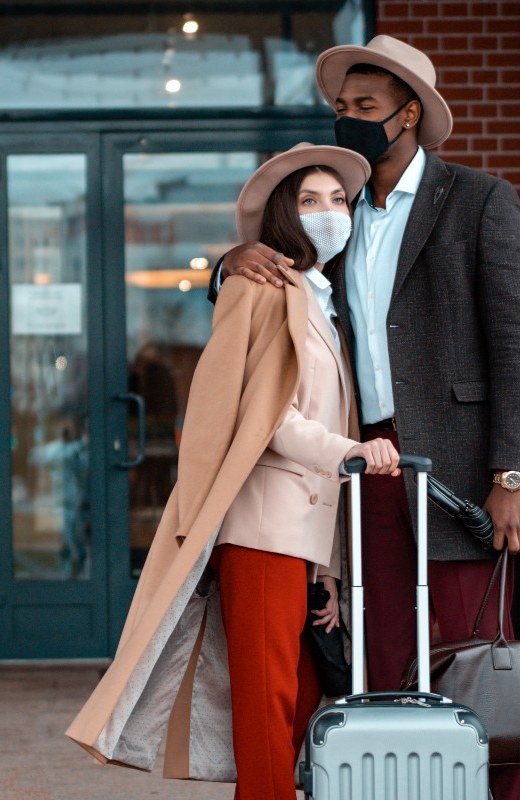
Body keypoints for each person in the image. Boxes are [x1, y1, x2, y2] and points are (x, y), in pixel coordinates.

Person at [211, 36, 520, 800]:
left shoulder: (476, 199)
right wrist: (228, 263)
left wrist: (512, 470)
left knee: (475, 653)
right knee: (385, 646)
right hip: (364, 460)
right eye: (340, 109)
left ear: (410, 113)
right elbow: (280, 276)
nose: (349, 120)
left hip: (462, 466)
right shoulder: (338, 210)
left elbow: (517, 341)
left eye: (365, 108)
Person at [66, 143, 400, 799]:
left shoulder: (330, 304)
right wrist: (349, 452)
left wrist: (329, 568)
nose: (329, 212)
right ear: (284, 214)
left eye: (339, 201)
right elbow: (262, 416)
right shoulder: (260, 286)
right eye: (311, 200)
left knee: (303, 699)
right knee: (266, 705)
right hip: (260, 531)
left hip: (305, 540)